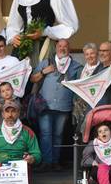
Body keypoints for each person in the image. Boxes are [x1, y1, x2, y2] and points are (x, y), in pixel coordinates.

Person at [29, 39, 82, 171]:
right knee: (46, 133)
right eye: (60, 46)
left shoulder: (76, 66)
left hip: (64, 106)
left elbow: (81, 84)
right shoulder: (46, 62)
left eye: (65, 46)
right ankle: (46, 162)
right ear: (56, 48)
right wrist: (43, 72)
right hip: (45, 106)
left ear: (69, 49)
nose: (62, 48)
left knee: (58, 134)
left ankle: (55, 162)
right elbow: (32, 79)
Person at [0, 100, 41, 167]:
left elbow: (36, 153)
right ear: (2, 114)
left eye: (13, 111)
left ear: (18, 113)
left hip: (20, 168)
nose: (10, 115)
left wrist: (32, 158)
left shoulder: (28, 132)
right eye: (7, 111)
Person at [72, 42, 103, 128]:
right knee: (79, 131)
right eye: (87, 54)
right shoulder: (80, 70)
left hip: (95, 106)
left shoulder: (102, 69)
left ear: (97, 54)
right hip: (80, 107)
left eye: (92, 53)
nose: (90, 56)